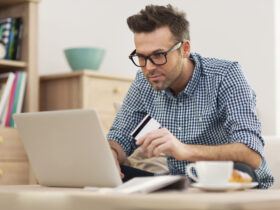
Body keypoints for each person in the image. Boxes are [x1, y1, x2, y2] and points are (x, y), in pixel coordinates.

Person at [107, 4, 274, 189]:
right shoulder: (143, 82)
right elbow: (120, 137)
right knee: (110, 176)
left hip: (235, 182)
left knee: (238, 169)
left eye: (158, 55)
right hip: (180, 185)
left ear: (185, 49)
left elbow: (252, 154)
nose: (149, 67)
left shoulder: (226, 75)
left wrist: (184, 150)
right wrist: (111, 154)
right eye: (141, 57)